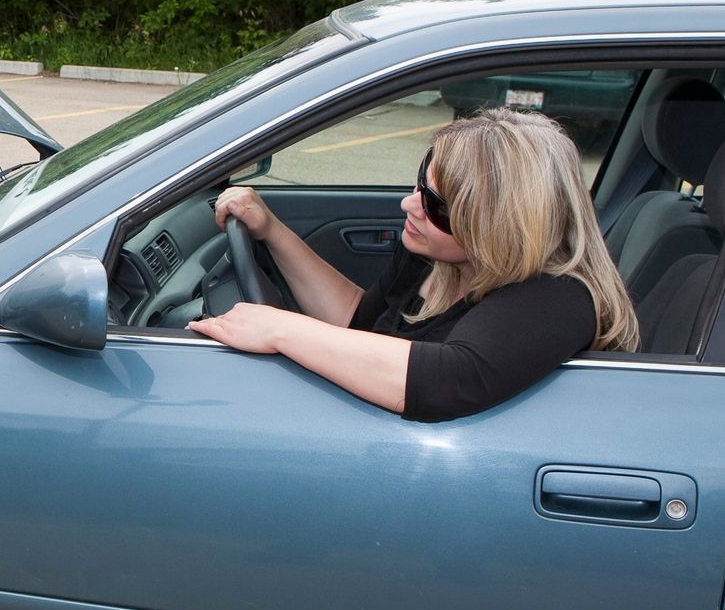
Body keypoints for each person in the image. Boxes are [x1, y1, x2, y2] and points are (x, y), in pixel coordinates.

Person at [189, 107, 638, 421]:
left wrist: (278, 328)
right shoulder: (437, 256)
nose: (410, 205)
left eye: (436, 205)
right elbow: (360, 323)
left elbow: (445, 380)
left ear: (499, 226)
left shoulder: (556, 298)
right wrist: (272, 231)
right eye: (420, 184)